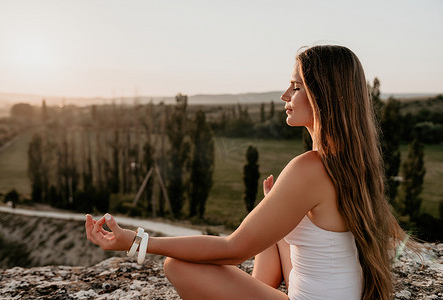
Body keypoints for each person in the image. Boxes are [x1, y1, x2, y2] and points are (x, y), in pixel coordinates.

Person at [85, 45, 408, 300]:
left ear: (322, 95)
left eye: (296, 87)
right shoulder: (354, 161)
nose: (285, 96)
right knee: (271, 230)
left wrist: (136, 241)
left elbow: (232, 249)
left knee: (179, 266)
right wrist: (277, 207)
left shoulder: (310, 167)